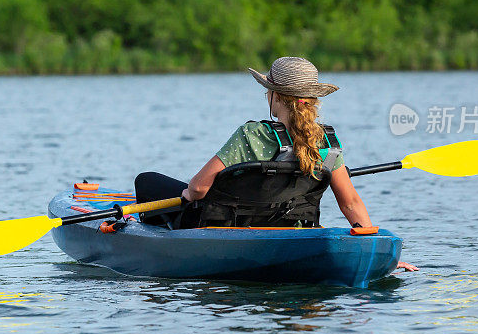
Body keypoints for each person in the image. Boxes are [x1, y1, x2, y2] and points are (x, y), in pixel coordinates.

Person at [134, 56, 417, 271]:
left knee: (146, 181)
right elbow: (351, 202)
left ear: (276, 96)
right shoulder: (328, 142)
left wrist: (185, 196)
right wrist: (375, 255)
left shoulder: (252, 134)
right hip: (290, 229)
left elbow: (198, 189)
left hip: (222, 230)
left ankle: (158, 238)